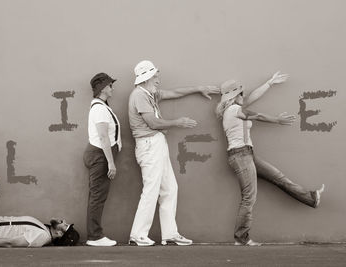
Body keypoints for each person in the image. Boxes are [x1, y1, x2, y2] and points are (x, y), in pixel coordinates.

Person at [215, 72, 325, 246]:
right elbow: (257, 115)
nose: (245, 96)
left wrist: (270, 83)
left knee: (278, 178)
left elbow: (252, 97)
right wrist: (278, 120)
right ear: (235, 95)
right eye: (241, 93)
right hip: (240, 156)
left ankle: (310, 198)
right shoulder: (234, 110)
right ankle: (241, 239)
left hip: (247, 154)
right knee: (249, 197)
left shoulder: (236, 108)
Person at [128, 60, 219, 246]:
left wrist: (198, 88)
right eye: (155, 76)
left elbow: (175, 93)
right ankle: (137, 234)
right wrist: (178, 122)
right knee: (151, 190)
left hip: (156, 144)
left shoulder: (150, 94)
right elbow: (152, 123)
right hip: (149, 145)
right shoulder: (139, 95)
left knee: (170, 189)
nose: (158, 79)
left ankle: (170, 234)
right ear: (145, 78)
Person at [0, 122, 79, 248]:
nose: (63, 221)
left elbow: (11, 242)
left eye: (65, 225)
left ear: (59, 234)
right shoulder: (43, 229)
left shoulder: (42, 237)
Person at [83, 73, 122, 246]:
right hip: (101, 156)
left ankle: (95, 235)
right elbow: (103, 137)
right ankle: (95, 237)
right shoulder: (99, 109)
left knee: (97, 195)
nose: (112, 88)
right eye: (110, 85)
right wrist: (111, 163)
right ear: (103, 88)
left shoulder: (102, 107)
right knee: (97, 197)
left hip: (101, 154)